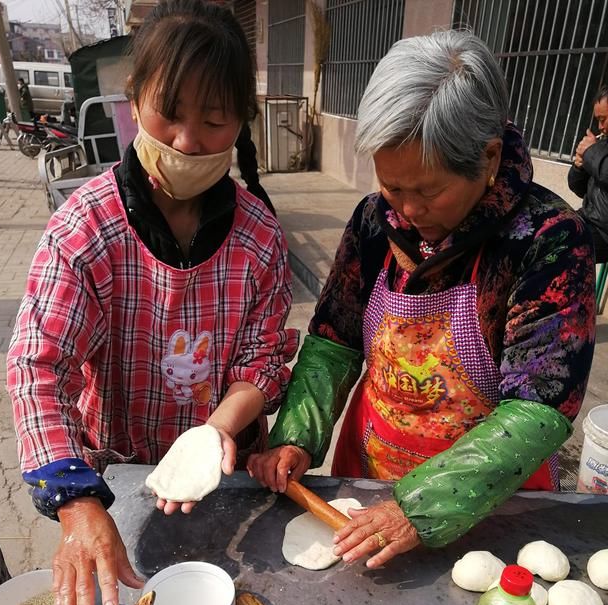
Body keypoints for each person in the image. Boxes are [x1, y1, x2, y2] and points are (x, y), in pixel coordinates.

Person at [248, 31, 595, 569]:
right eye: (392, 186)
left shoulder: (546, 239)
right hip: (366, 477)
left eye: (428, 191)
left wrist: (417, 508)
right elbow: (332, 341)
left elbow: (539, 407)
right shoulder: (373, 220)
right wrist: (297, 436)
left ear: (489, 157)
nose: (406, 210)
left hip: (488, 502)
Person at [7, 0, 297, 605]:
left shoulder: (258, 237)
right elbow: (37, 365)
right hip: (115, 474)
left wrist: (217, 429)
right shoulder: (87, 228)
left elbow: (266, 356)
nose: (187, 142)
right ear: (134, 102)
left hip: (225, 482)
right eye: (169, 116)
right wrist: (78, 502)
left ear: (241, 124)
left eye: (214, 121)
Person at [568, 84, 608, 263]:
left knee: (559, 246)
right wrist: (579, 166)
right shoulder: (603, 145)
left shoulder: (598, 150)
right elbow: (579, 188)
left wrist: (590, 153)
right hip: (589, 218)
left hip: (603, 232)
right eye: (598, 120)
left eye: (604, 119)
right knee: (548, 223)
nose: (600, 127)